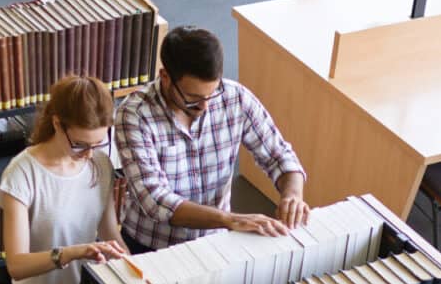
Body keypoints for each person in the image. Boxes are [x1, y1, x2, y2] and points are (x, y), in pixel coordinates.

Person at [115, 25, 310, 252]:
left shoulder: (235, 98)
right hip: (152, 245)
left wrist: (293, 195)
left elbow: (280, 155)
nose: (205, 106)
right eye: (192, 97)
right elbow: (155, 199)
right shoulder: (135, 114)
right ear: (165, 77)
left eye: (212, 93)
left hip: (216, 240)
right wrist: (229, 220)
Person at [0, 74, 130, 284]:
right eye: (81, 144)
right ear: (58, 124)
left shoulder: (101, 164)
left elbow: (110, 234)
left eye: (98, 144)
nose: (89, 154)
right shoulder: (22, 173)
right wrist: (74, 252)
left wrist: (134, 269)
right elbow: (17, 264)